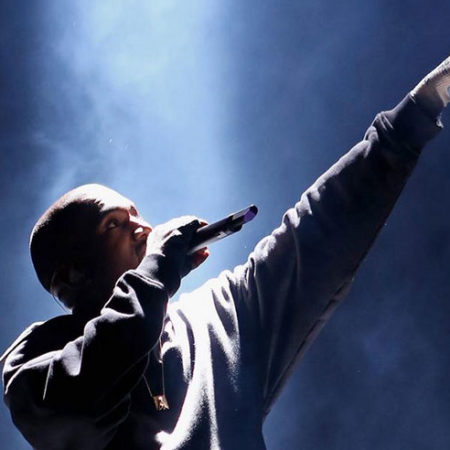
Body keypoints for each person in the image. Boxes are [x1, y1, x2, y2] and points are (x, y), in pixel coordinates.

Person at [2, 56, 450, 450]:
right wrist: (154, 273)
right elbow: (82, 403)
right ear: (70, 275)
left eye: (138, 215)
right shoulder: (34, 362)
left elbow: (318, 233)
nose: (145, 229)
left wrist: (414, 115)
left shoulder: (217, 318)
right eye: (114, 224)